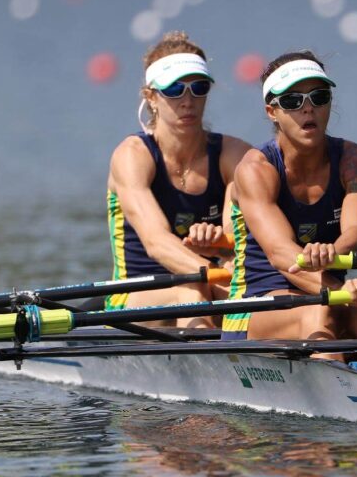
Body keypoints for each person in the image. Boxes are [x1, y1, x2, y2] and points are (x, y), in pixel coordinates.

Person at [222, 51, 357, 368]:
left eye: (318, 96)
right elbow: (282, 255)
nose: (307, 107)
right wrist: (341, 290)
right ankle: (337, 410)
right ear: (272, 111)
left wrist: (332, 252)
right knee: (320, 309)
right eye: (292, 101)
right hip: (255, 306)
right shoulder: (255, 169)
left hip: (326, 292)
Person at [106, 31, 250, 326]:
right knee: (191, 289)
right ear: (151, 97)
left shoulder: (234, 155)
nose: (188, 101)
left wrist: (217, 244)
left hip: (212, 279)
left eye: (198, 88)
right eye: (174, 89)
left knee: (209, 288)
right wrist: (218, 276)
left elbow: (236, 240)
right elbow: (156, 242)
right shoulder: (133, 155)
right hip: (137, 294)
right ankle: (212, 363)